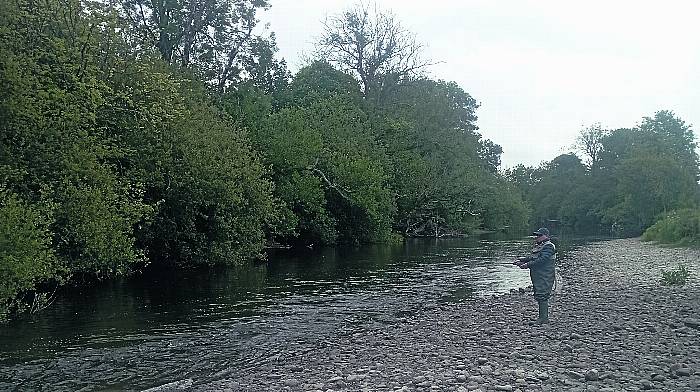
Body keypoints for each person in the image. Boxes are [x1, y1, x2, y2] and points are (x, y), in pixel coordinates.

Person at [514, 227, 556, 324]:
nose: (536, 237)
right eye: (536, 235)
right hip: (538, 274)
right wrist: (521, 260)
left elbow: (542, 260)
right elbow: (533, 257)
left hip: (545, 275)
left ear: (545, 236)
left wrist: (527, 265)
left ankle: (543, 319)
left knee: (543, 295)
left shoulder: (549, 246)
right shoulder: (541, 246)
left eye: (539, 235)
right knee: (539, 293)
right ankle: (542, 317)